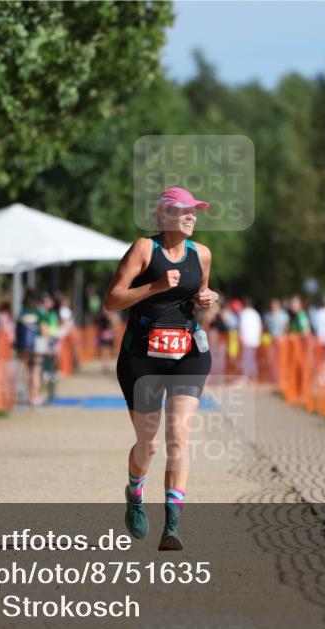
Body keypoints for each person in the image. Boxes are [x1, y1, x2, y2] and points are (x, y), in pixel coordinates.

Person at [104, 186, 218, 551]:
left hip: (188, 351)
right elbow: (112, 300)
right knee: (149, 444)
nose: (192, 217)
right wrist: (153, 286)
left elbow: (202, 297)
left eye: (195, 212)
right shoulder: (143, 249)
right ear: (165, 215)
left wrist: (209, 299)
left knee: (178, 437)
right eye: (185, 211)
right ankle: (135, 493)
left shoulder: (201, 254)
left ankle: (172, 525)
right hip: (143, 354)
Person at [15, 291, 43, 408]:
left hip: (23, 346)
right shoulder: (38, 313)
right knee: (35, 369)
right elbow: (43, 329)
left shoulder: (21, 312)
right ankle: (34, 394)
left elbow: (17, 330)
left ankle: (19, 394)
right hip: (36, 345)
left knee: (24, 368)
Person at [238, 297, 262, 381]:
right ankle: (254, 376)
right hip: (255, 340)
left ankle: (246, 376)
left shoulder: (244, 313)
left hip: (247, 340)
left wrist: (240, 337)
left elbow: (242, 327)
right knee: (252, 359)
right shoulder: (256, 313)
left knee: (247, 359)